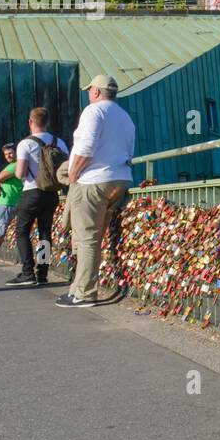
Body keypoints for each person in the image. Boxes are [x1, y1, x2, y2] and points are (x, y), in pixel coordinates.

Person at [56, 75, 135, 309]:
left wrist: (73, 175)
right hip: (119, 180)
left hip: (92, 182)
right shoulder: (125, 117)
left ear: (97, 92)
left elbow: (86, 147)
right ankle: (78, 288)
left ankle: (83, 293)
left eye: (90, 90)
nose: (88, 94)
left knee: (88, 240)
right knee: (95, 237)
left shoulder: (93, 112)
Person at [7, 108, 68, 287]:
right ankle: (42, 273)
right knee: (44, 233)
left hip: (32, 192)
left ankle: (27, 273)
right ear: (47, 122)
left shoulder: (25, 144)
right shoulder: (60, 143)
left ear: (30, 122)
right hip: (52, 194)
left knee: (22, 231)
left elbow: (19, 173)